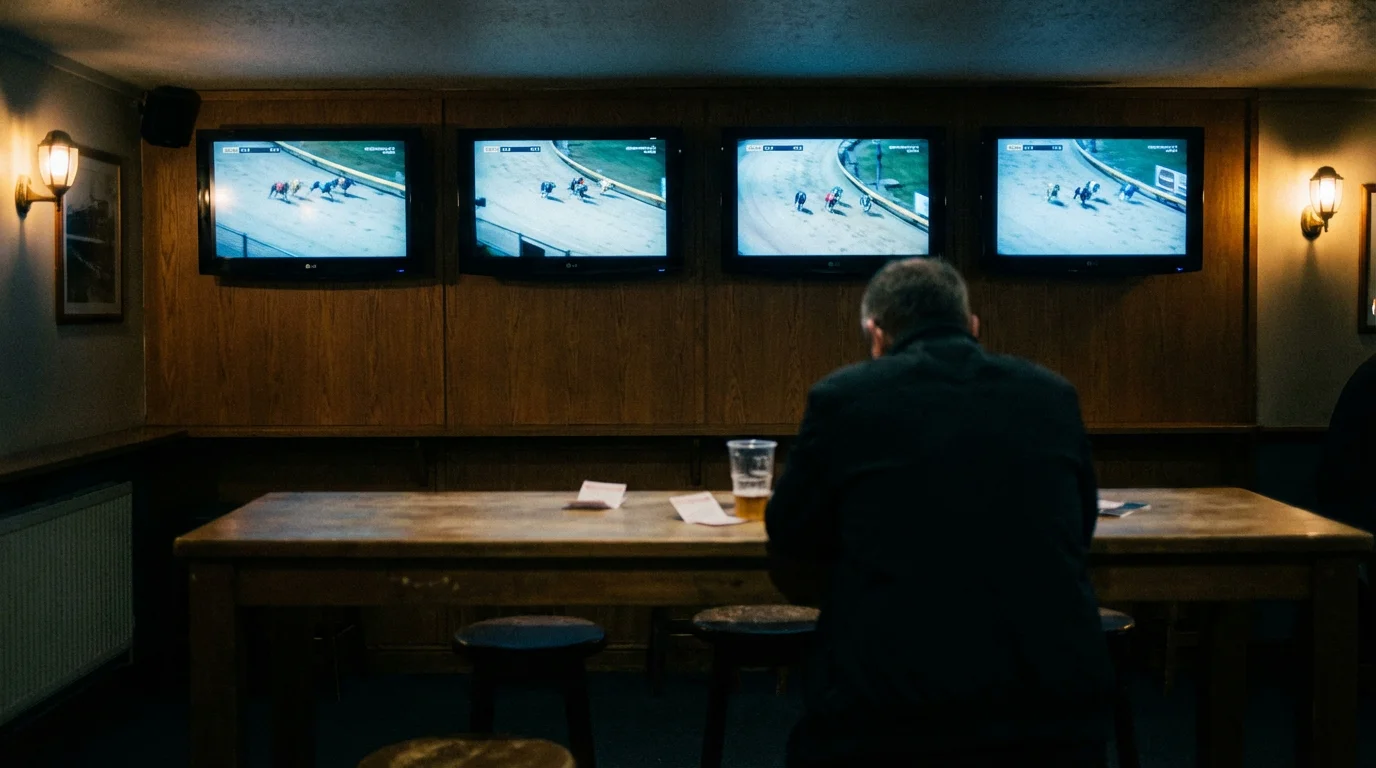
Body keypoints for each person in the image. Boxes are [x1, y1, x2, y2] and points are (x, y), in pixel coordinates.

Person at [766, 258, 1114, 768]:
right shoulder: (1053, 395)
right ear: (972, 327)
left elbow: (790, 533)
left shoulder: (843, 398)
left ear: (875, 333)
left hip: (890, 710)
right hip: (1051, 708)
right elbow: (1081, 529)